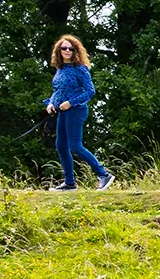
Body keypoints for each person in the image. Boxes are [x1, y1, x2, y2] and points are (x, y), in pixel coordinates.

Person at [45, 34, 115, 190]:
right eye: (64, 48)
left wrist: (70, 103)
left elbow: (90, 91)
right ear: (59, 50)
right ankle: (69, 183)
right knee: (61, 146)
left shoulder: (81, 69)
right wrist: (50, 103)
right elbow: (58, 91)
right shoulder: (60, 69)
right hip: (63, 112)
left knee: (75, 146)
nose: (67, 50)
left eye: (71, 48)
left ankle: (104, 175)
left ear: (76, 50)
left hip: (77, 110)